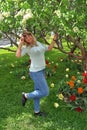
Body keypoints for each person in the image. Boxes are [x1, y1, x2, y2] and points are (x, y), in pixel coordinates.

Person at [16, 30, 58, 116]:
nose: (28, 38)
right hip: (35, 72)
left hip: (42, 70)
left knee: (38, 92)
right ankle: (26, 96)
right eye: (26, 37)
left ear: (32, 35)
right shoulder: (27, 48)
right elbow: (18, 55)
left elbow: (49, 48)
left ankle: (37, 111)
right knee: (45, 92)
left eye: (29, 35)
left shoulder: (38, 43)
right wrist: (20, 45)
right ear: (24, 40)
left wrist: (54, 40)